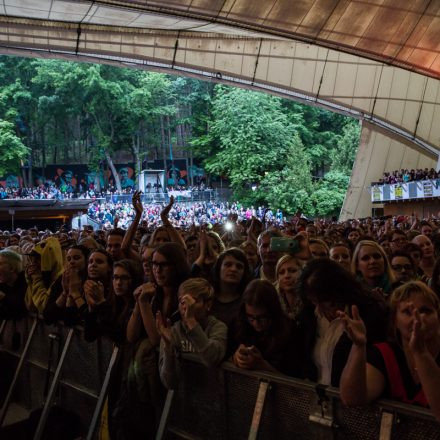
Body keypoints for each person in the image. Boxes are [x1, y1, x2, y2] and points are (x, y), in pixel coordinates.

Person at [340, 281, 440, 421]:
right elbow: (352, 398)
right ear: (395, 321)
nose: (418, 318)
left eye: (425, 311)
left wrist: (420, 352)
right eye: (407, 312)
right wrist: (358, 346)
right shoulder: (385, 354)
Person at [297, 258, 387, 386]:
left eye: (326, 301)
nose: (319, 308)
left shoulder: (367, 315)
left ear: (340, 292)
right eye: (314, 301)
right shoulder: (309, 316)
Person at [156, 278, 227, 390]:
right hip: (185, 399)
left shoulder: (217, 327)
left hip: (214, 397)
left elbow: (211, 358)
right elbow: (169, 383)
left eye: (192, 301)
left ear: (207, 304)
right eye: (182, 302)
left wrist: (191, 321)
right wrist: (169, 348)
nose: (186, 306)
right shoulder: (174, 331)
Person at [231, 279, 298, 375]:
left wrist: (262, 365)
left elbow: (295, 382)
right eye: (250, 317)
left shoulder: (290, 330)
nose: (255, 323)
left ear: (273, 312)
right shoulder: (239, 323)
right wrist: (236, 358)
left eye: (262, 318)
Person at [43, 245, 89, 326]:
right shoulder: (62, 279)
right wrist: (64, 293)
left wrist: (74, 294)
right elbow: (47, 316)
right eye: (68, 259)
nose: (71, 262)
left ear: (86, 260)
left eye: (76, 258)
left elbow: (71, 321)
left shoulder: (90, 281)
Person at [211, 248, 250, 327]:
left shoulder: (247, 302)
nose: (233, 269)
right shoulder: (207, 298)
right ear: (219, 268)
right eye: (228, 265)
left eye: (239, 267)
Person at [0, 249, 27, 320]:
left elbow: (22, 309)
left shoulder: (26, 282)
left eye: (0, 264)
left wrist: (3, 297)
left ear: (12, 268)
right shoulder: (3, 284)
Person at [275, 254, 302, 320]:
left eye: (293, 271)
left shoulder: (310, 301)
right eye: (281, 272)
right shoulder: (274, 302)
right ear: (277, 278)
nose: (287, 276)